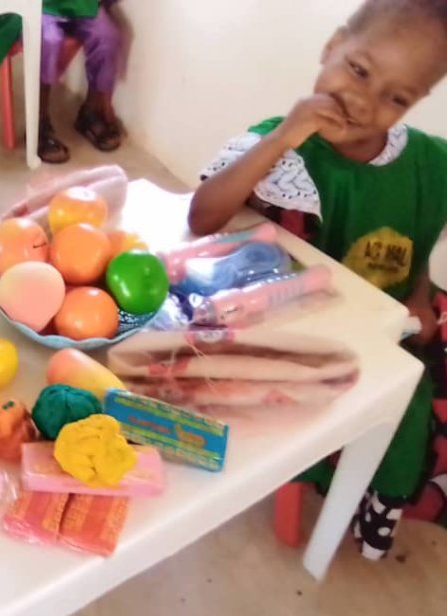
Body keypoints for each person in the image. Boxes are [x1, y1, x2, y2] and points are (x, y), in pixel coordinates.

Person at [188, 0, 447, 560]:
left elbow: (417, 239)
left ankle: (389, 483)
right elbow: (202, 217)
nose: (364, 101)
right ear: (332, 47)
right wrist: (284, 135)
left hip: (392, 317)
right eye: (359, 70)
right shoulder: (282, 153)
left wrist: (421, 297)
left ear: (416, 103)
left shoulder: (425, 163)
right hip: (300, 328)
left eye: (396, 97)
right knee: (405, 394)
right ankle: (363, 480)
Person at [0, 1, 129, 163]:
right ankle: (39, 124)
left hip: (78, 5)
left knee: (107, 36)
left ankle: (91, 111)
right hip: (32, 7)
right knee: (48, 39)